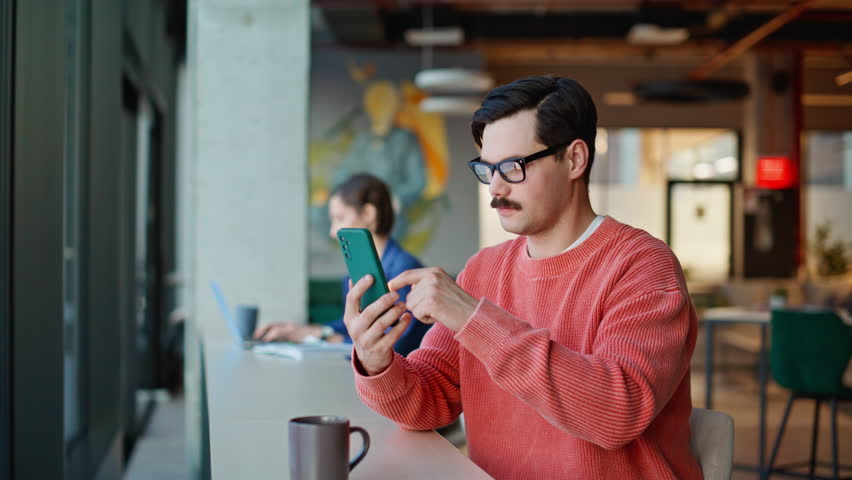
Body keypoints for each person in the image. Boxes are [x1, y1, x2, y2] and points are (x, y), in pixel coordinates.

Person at [343, 76, 703, 479]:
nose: (495, 187)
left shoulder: (643, 265)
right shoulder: (483, 269)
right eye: (487, 169)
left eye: (512, 167)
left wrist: (472, 318)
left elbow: (615, 414)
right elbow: (428, 403)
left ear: (574, 160)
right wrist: (377, 364)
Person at [253, 173, 430, 357]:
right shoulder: (355, 273)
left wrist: (323, 337)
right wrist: (298, 330)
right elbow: (349, 325)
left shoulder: (405, 269)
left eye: (339, 218)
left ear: (369, 214)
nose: (332, 232)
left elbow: (395, 343)